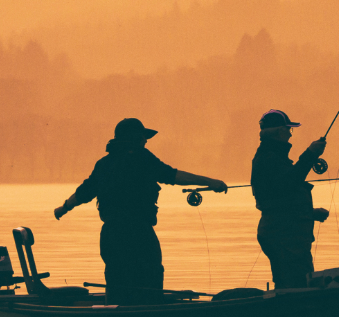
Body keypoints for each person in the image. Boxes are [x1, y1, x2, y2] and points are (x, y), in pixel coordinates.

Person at [53, 118, 227, 304]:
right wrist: (210, 182)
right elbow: (173, 175)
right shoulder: (143, 159)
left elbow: (83, 193)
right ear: (135, 138)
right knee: (150, 277)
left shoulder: (104, 164)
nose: (146, 141)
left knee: (117, 279)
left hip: (111, 234)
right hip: (139, 232)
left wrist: (63, 208)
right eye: (144, 137)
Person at [251, 109, 329, 289]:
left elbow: (280, 198)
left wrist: (310, 214)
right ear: (279, 131)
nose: (290, 134)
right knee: (296, 285)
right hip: (284, 236)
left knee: (291, 285)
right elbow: (290, 182)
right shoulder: (269, 158)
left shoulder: (272, 156)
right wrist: (310, 154)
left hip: (283, 232)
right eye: (288, 129)